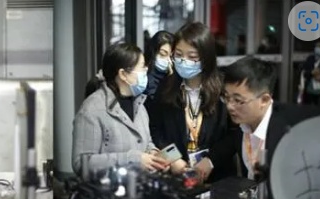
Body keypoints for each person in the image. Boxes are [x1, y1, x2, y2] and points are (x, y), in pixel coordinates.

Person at [196, 56, 320, 199]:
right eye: (226, 98)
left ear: (264, 100)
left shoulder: (288, 134)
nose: (230, 106)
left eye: (238, 100)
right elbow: (230, 141)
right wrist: (209, 161)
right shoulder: (242, 123)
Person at [149, 22, 237, 182]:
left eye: (192, 57)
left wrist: (210, 161)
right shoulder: (165, 87)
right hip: (177, 175)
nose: (184, 61)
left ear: (206, 58)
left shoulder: (224, 88)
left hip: (217, 175)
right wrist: (172, 158)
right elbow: (155, 128)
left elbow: (235, 132)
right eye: (179, 54)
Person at [73, 42, 172, 179]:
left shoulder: (139, 104)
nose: (146, 70)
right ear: (123, 74)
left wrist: (154, 155)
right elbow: (81, 164)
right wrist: (132, 160)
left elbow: (146, 142)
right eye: (142, 67)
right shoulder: (92, 109)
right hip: (108, 190)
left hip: (138, 186)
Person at [144, 30, 175, 99]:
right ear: (153, 51)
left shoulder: (173, 74)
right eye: (163, 54)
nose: (168, 60)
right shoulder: (145, 78)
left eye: (171, 56)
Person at [299, 40, 320, 105]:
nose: (318, 48)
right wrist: (311, 72)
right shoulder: (310, 59)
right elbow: (304, 72)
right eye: (317, 46)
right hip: (309, 90)